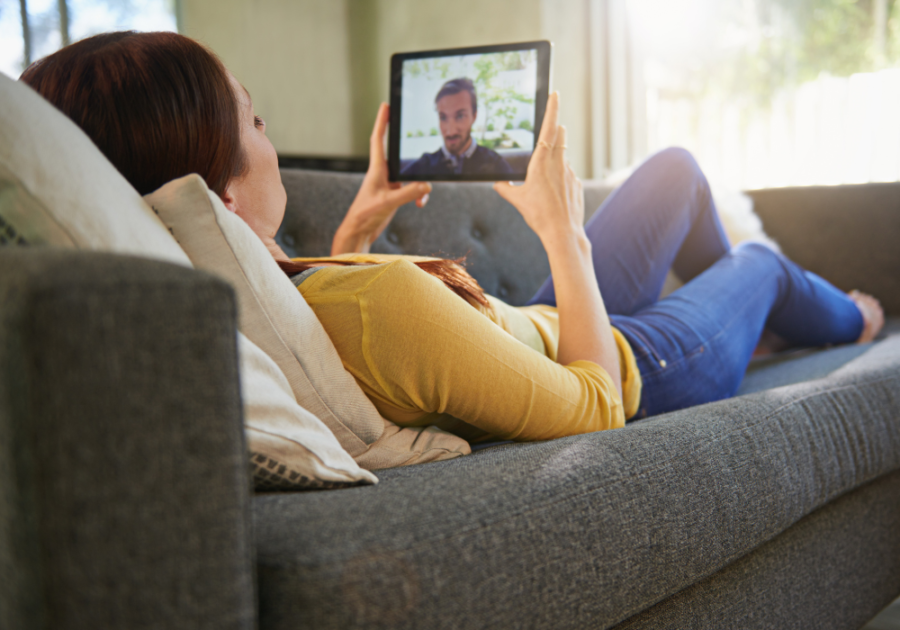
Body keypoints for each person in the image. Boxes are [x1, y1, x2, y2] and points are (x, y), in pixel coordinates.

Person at [21, 31, 884, 442]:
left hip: (539, 325)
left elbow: (332, 312)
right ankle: (848, 319)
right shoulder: (380, 306)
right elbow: (596, 409)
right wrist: (562, 234)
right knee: (762, 261)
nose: (270, 133)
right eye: (257, 116)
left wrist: (362, 217)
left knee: (677, 171)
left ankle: (743, 326)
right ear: (222, 190)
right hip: (634, 365)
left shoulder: (237, 293)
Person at [401, 77, 514, 177]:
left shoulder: (495, 164)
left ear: (474, 116)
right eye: (443, 117)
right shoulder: (423, 167)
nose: (451, 131)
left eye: (460, 116)